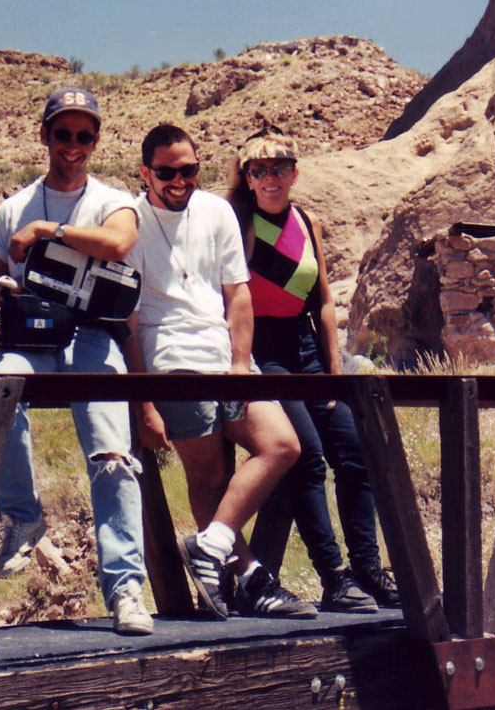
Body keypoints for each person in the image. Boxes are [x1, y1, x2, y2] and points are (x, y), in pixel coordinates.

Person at [123, 123, 315, 620]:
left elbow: (239, 294)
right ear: (146, 172)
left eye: (189, 170)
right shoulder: (131, 222)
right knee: (208, 475)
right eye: (167, 172)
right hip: (170, 358)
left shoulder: (217, 213)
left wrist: (240, 363)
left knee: (282, 445)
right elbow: (130, 318)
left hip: (226, 355)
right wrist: (144, 401)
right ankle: (250, 576)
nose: (180, 180)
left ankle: (211, 549)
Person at [0, 87, 152, 636]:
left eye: (85, 135)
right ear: (45, 136)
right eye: (64, 134)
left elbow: (119, 243)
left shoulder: (112, 199)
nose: (74, 145)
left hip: (92, 336)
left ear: (96, 140)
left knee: (111, 453)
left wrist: (50, 233)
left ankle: (126, 589)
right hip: (33, 337)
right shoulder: (13, 207)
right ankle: (23, 517)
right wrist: (8, 295)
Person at [225, 126, 399, 612]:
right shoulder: (240, 223)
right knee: (307, 456)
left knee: (355, 451)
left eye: (279, 169)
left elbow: (323, 299)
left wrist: (334, 369)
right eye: (259, 171)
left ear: (294, 173)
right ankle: (335, 577)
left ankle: (369, 568)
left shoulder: (307, 220)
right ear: (249, 179)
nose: (270, 179)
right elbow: (234, 297)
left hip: (307, 346)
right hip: (264, 350)